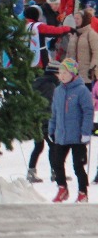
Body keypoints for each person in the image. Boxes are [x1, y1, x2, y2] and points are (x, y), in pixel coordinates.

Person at [49, 58, 92, 202]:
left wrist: (86, 132)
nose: (62, 75)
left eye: (65, 72)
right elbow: (54, 112)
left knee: (78, 165)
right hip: (61, 135)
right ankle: (62, 188)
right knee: (56, 162)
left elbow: (88, 112)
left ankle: (82, 192)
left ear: (73, 73)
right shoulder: (58, 91)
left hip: (78, 136)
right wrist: (52, 129)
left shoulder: (81, 91)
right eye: (60, 72)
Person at [26, 60, 60, 184]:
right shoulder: (50, 85)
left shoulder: (39, 82)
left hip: (35, 120)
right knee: (53, 146)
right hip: (45, 120)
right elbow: (49, 105)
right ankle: (55, 173)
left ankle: (31, 172)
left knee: (39, 146)